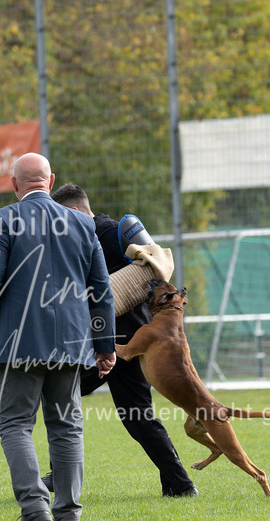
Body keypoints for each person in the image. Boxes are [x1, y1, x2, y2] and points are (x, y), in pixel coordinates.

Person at [0, 153, 116, 521]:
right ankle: (69, 512)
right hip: (70, 342)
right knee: (66, 425)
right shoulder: (85, 225)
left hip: (18, 342)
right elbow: (101, 290)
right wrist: (104, 345)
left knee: (16, 424)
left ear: (14, 184)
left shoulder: (3, 219)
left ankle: (35, 508)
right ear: (50, 181)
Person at [49, 183, 197, 497]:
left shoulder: (115, 233)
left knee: (67, 396)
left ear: (75, 212)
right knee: (133, 415)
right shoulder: (82, 240)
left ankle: (60, 476)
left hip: (121, 344)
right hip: (113, 343)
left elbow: (160, 272)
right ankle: (181, 485)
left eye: (59, 219)